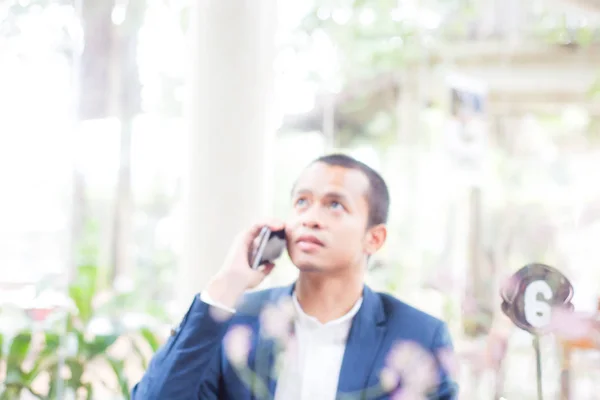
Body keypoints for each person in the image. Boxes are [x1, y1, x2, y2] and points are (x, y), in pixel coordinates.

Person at [132, 154, 458, 399]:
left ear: (374, 238)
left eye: (335, 205)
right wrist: (226, 286)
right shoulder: (237, 321)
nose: (311, 218)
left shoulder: (420, 336)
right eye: (302, 202)